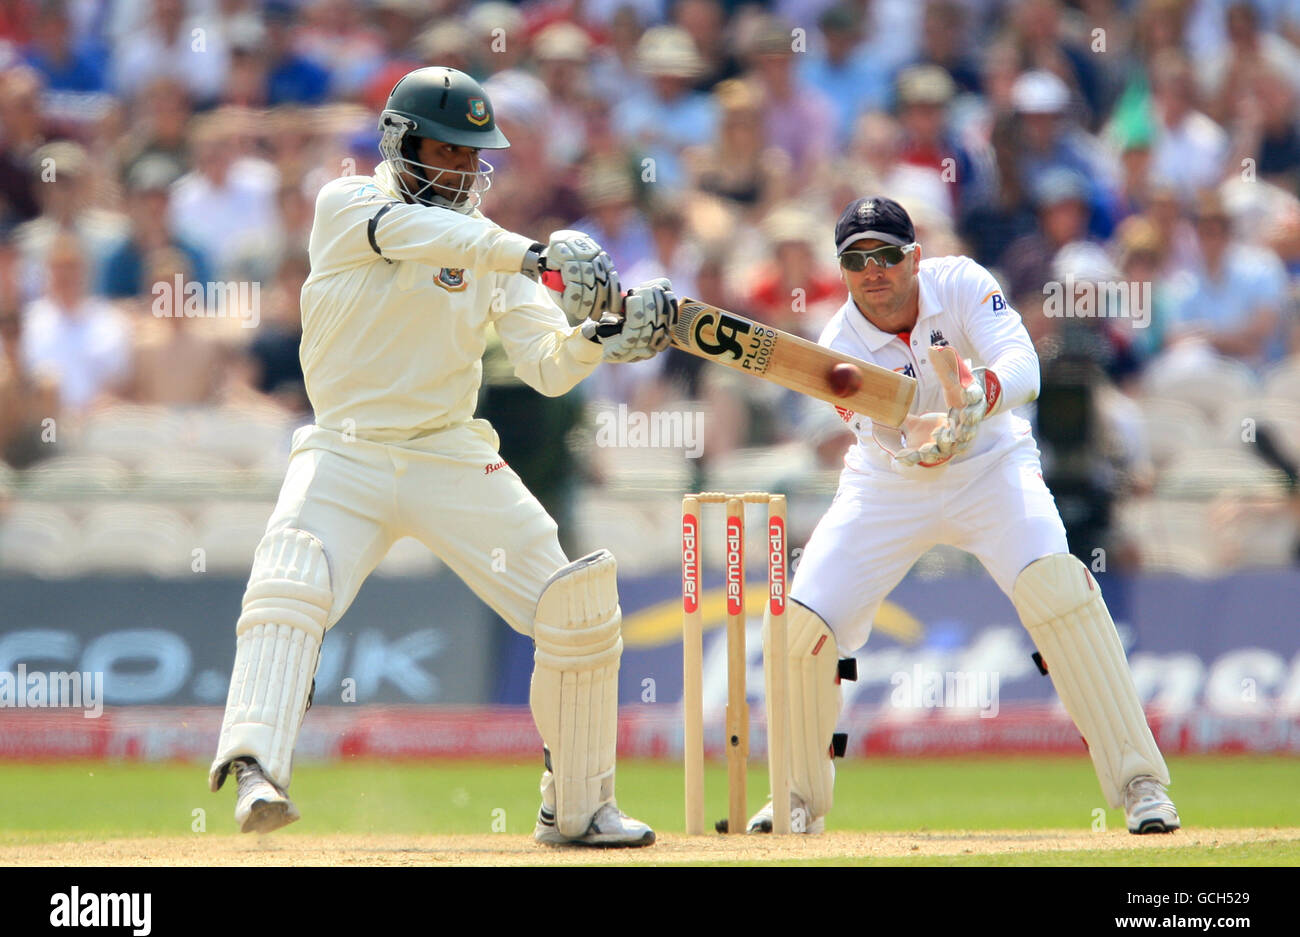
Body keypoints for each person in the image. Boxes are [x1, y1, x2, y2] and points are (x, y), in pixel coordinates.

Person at [206, 67, 676, 849]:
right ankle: (257, 768)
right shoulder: (349, 204)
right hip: (346, 450)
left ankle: (579, 809)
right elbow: (427, 237)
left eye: (473, 154)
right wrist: (536, 258)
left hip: (449, 452)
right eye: (447, 149)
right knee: (290, 580)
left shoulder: (488, 243)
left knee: (577, 606)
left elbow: (545, 366)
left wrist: (601, 339)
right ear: (400, 141)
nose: (462, 168)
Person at [747, 196, 1180, 836]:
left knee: (1059, 590)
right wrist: (927, 434)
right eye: (857, 260)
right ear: (841, 270)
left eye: (888, 255)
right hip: (888, 484)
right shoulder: (837, 342)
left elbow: (1024, 365)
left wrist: (976, 396)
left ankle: (1141, 785)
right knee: (803, 622)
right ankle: (794, 798)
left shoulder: (964, 282)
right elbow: (893, 435)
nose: (875, 271)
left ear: (914, 257)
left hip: (993, 467)